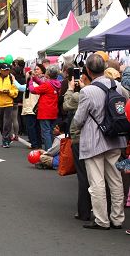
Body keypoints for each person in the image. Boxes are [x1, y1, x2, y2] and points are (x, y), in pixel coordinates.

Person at [73, 53, 127, 230]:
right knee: (115, 179)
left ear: (87, 70)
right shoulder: (118, 86)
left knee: (97, 182)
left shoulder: (87, 91)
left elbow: (79, 120)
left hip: (94, 140)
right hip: (116, 137)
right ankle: (117, 218)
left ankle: (101, 220)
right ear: (104, 68)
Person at [63, 69, 92, 222]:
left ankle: (84, 211)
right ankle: (110, 213)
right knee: (105, 178)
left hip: (81, 139)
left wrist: (70, 88)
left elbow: (66, 106)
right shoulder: (115, 89)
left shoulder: (80, 95)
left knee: (84, 175)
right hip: (106, 139)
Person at [29, 65, 61, 151]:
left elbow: (33, 90)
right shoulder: (57, 83)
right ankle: (53, 151)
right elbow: (43, 84)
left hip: (45, 112)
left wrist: (31, 80)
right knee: (50, 132)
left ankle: (49, 152)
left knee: (46, 133)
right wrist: (35, 78)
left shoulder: (47, 84)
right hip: (53, 111)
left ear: (48, 74)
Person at [0, 62, 18, 148]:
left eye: (8, 70)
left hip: (8, 104)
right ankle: (6, 138)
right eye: (5, 70)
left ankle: (5, 140)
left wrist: (9, 92)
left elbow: (15, 92)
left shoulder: (11, 78)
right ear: (0, 70)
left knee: (7, 123)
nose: (7, 71)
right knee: (1, 124)